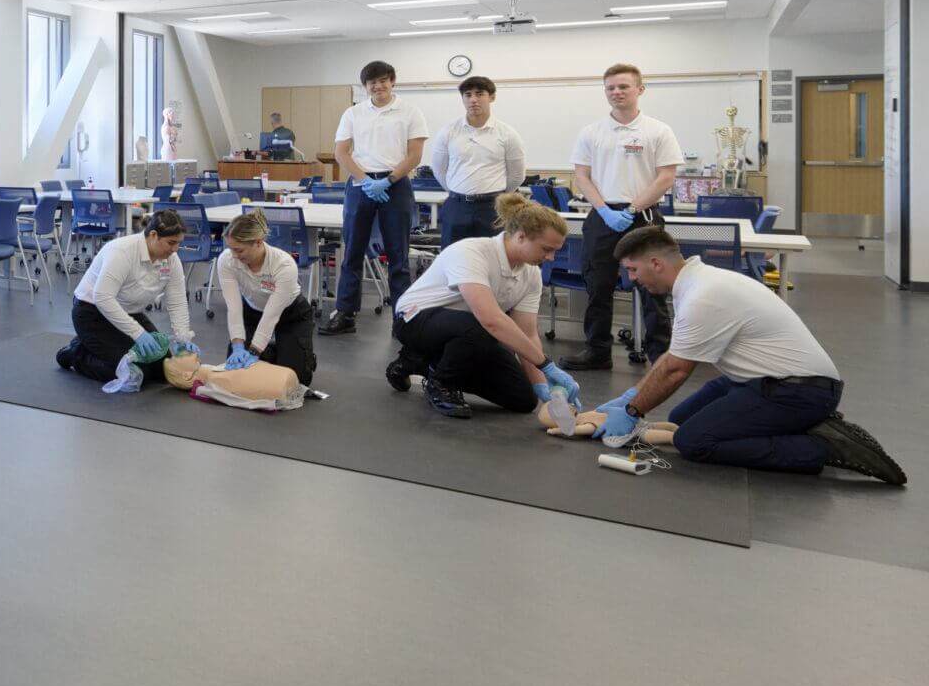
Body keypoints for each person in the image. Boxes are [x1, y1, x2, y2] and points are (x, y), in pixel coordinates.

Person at [592, 226, 905, 482]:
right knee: (680, 419)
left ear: (656, 264)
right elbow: (673, 357)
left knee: (693, 442)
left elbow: (676, 369)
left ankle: (821, 446)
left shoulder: (703, 296)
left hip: (799, 392)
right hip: (766, 381)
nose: (631, 279)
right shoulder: (701, 281)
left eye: (633, 270)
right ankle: (791, 425)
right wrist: (631, 396)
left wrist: (632, 412)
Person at [387, 192, 579, 420]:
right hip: (414, 319)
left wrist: (541, 385)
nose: (551, 258)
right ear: (520, 237)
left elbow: (527, 333)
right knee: (485, 327)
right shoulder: (471, 252)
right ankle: (441, 384)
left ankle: (422, 362)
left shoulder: (531, 275)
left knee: (522, 399)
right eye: (546, 249)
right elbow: (491, 319)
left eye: (555, 251)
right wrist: (547, 365)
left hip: (467, 331)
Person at [561, 63, 682, 372]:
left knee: (652, 288)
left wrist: (630, 210)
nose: (617, 92)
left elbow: (665, 177)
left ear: (639, 90)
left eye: (623, 87)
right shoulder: (592, 132)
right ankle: (598, 351)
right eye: (611, 88)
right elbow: (582, 176)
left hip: (642, 215)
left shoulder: (658, 130)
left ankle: (661, 356)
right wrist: (603, 210)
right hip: (602, 215)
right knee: (597, 286)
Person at [324, 61, 427, 334]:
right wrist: (364, 180)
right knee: (353, 251)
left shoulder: (410, 112)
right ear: (365, 86)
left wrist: (389, 180)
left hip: (396, 183)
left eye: (383, 80)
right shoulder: (353, 113)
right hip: (361, 184)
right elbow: (341, 152)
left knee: (398, 254)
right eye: (372, 82)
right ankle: (345, 313)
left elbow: (415, 154)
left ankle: (402, 317)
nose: (377, 86)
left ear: (392, 81)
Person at [56, 209, 196, 383]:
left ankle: (95, 343)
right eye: (171, 243)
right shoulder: (122, 251)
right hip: (92, 313)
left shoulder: (171, 260)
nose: (175, 249)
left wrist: (182, 338)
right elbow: (103, 298)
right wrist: (138, 334)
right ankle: (76, 353)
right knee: (129, 373)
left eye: (178, 243)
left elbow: (177, 301)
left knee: (161, 368)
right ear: (153, 235)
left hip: (128, 312)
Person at [216, 210, 316, 384]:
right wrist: (238, 346)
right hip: (253, 311)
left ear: (258, 242)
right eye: (230, 248)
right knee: (237, 372)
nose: (233, 255)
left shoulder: (284, 265)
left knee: (297, 380)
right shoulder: (227, 260)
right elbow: (234, 308)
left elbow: (272, 314)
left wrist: (254, 351)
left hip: (291, 314)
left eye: (239, 250)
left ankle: (295, 352)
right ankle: (271, 351)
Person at [426, 75, 526, 247]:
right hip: (457, 206)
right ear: (463, 99)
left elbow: (517, 175)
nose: (473, 100)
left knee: (495, 260)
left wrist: (497, 196)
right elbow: (439, 169)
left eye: (479, 94)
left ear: (491, 97)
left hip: (493, 208)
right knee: (453, 259)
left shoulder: (507, 134)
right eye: (468, 95)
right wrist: (458, 191)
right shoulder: (448, 131)